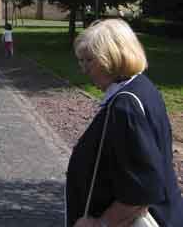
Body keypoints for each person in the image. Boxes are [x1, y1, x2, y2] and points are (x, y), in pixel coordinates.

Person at [67, 18, 183, 226]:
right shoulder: (142, 87)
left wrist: (100, 224)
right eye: (81, 61)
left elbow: (141, 190)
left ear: (111, 58)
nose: (84, 70)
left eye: (89, 61)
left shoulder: (125, 107)